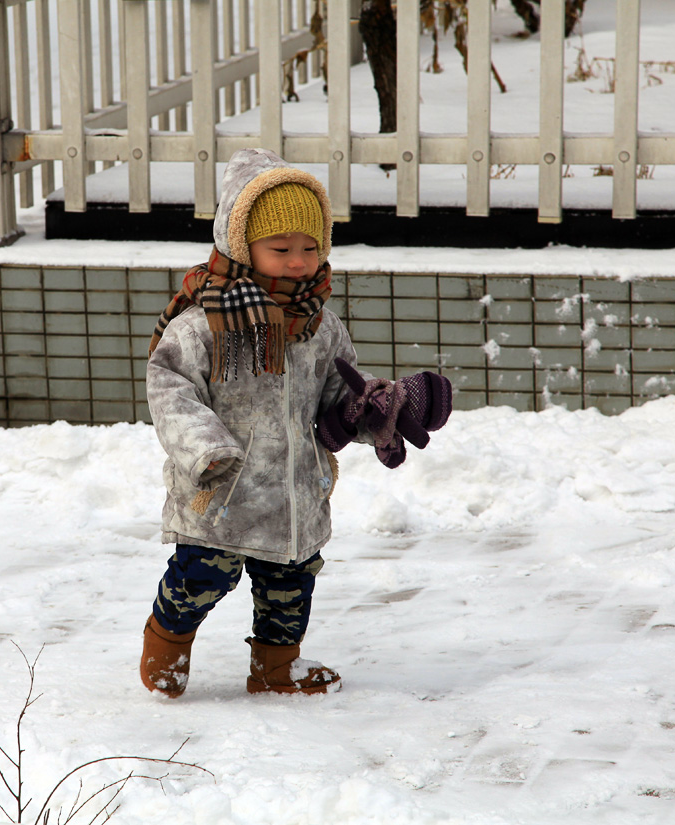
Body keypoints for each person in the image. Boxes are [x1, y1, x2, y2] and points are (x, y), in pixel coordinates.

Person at [140, 148, 452, 697]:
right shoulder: (203, 325)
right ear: (242, 246)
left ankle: (275, 668)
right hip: (221, 491)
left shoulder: (320, 325)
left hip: (293, 496)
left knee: (290, 587)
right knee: (201, 579)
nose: (298, 261)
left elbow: (339, 391)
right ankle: (165, 644)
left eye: (310, 247)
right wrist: (204, 448)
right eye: (280, 248)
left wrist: (376, 408)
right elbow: (171, 390)